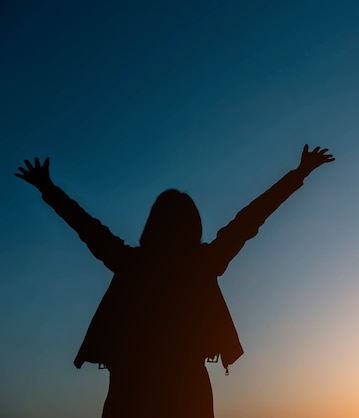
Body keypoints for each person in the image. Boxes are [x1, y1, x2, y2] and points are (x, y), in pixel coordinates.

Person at [14, 145, 334, 418]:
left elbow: (87, 227)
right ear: (193, 226)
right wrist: (298, 174)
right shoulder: (201, 262)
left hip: (132, 383)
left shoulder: (132, 263)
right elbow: (250, 219)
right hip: (183, 384)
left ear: (152, 225)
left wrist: (48, 189)